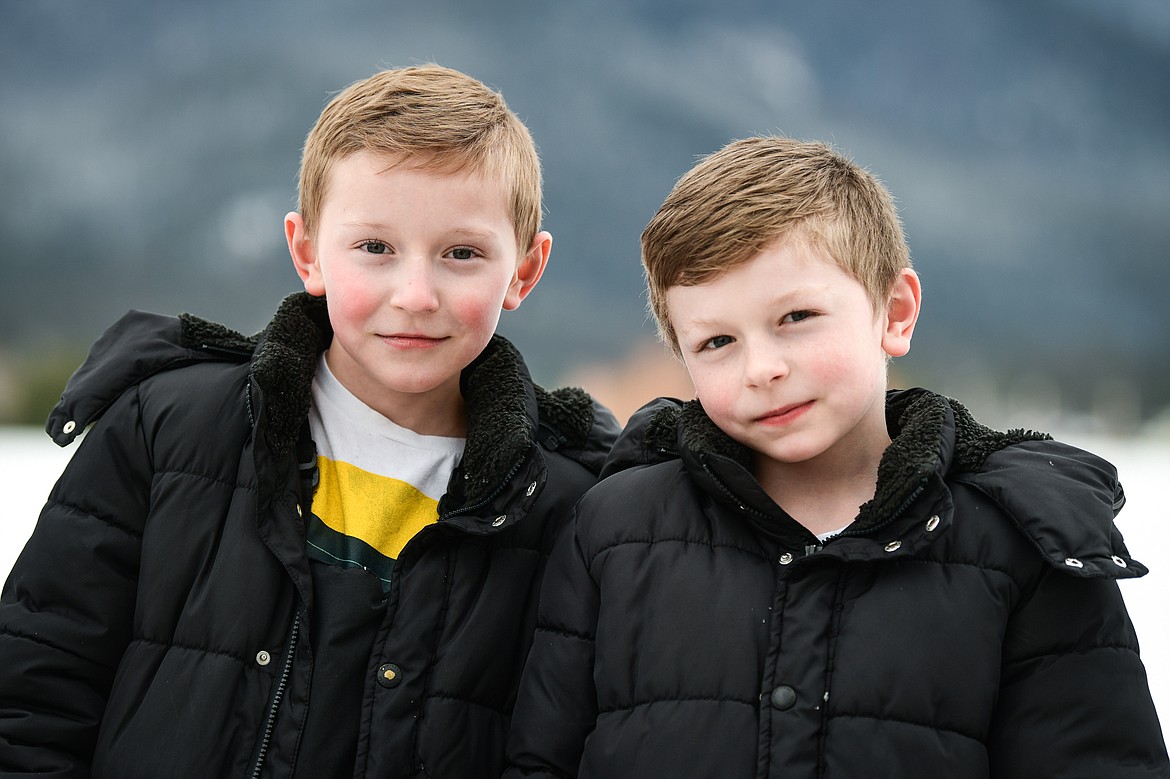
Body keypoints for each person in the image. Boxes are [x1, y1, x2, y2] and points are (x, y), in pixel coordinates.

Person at [0, 64, 618, 778]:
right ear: (306, 250)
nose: (416, 294)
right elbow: (31, 702)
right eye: (375, 248)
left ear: (524, 271)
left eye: (462, 253)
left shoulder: (564, 507)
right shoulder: (166, 428)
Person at [504, 136, 1168, 777]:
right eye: (716, 343)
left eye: (796, 318)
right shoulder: (612, 530)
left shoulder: (1023, 547)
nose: (762, 368)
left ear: (895, 312)